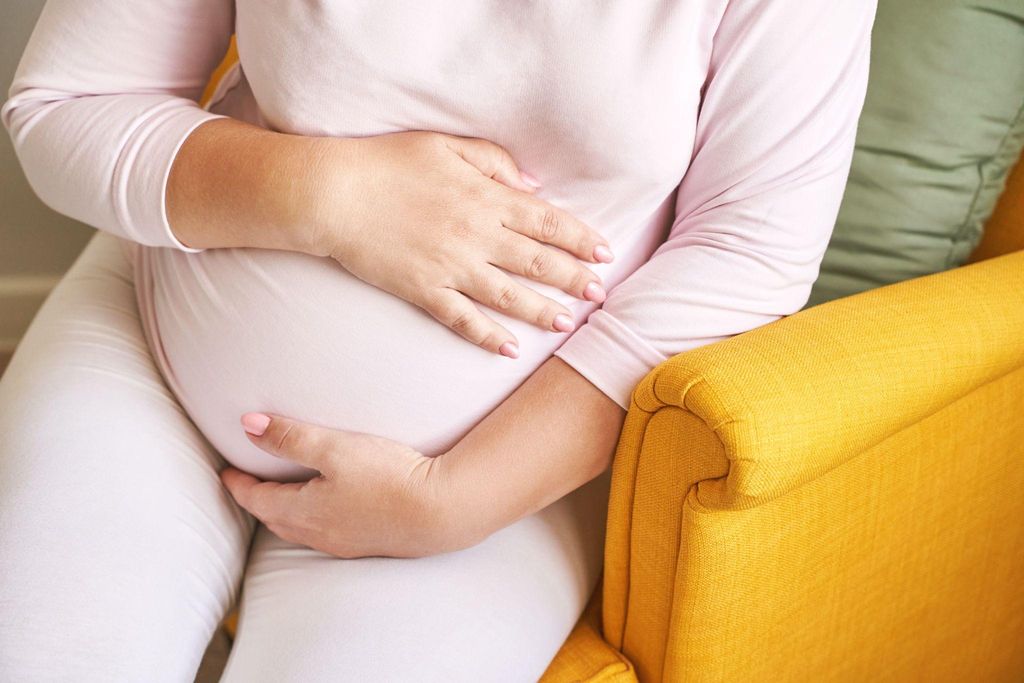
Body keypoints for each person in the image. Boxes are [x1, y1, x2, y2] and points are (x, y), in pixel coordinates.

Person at [0, 1, 877, 680]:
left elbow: (748, 252)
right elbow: (67, 104)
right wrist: (330, 197)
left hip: (496, 485)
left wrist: (453, 496)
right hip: (148, 357)